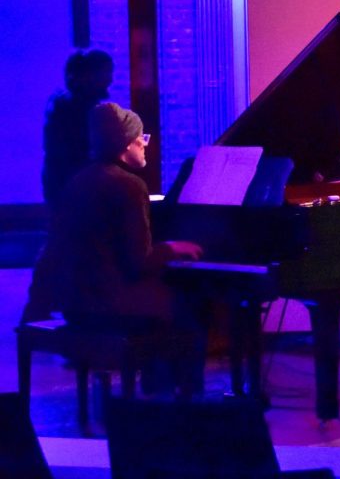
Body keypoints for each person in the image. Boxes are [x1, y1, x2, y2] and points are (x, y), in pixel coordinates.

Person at [57, 102, 206, 391]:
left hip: (75, 302)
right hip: (107, 303)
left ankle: (157, 393)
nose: (145, 145)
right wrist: (172, 248)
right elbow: (138, 263)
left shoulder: (80, 179)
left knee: (169, 300)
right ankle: (178, 400)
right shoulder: (129, 185)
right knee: (189, 308)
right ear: (127, 143)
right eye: (142, 138)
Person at [21, 48, 114, 323]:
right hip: (73, 187)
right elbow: (79, 152)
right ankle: (49, 308)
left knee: (60, 245)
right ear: (87, 75)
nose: (109, 79)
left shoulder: (66, 104)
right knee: (62, 245)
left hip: (65, 185)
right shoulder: (77, 109)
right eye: (104, 73)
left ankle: (43, 307)